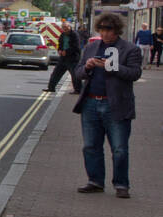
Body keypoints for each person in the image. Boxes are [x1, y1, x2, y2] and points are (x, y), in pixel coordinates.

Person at [72, 13, 142, 198]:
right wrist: (87, 67)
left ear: (117, 30)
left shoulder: (130, 49)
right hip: (91, 103)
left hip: (116, 105)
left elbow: (134, 73)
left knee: (119, 148)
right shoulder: (91, 46)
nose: (104, 33)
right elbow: (78, 73)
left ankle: (121, 184)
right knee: (90, 146)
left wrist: (111, 66)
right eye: (101, 29)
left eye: (108, 29)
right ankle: (95, 181)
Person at [46, 18, 82, 94]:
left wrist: (67, 52)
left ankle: (78, 90)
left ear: (70, 27)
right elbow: (60, 44)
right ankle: (51, 88)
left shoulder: (75, 35)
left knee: (75, 75)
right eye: (63, 27)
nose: (64, 29)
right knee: (56, 73)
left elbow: (76, 47)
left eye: (66, 27)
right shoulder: (62, 35)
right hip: (63, 58)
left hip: (72, 58)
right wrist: (59, 50)